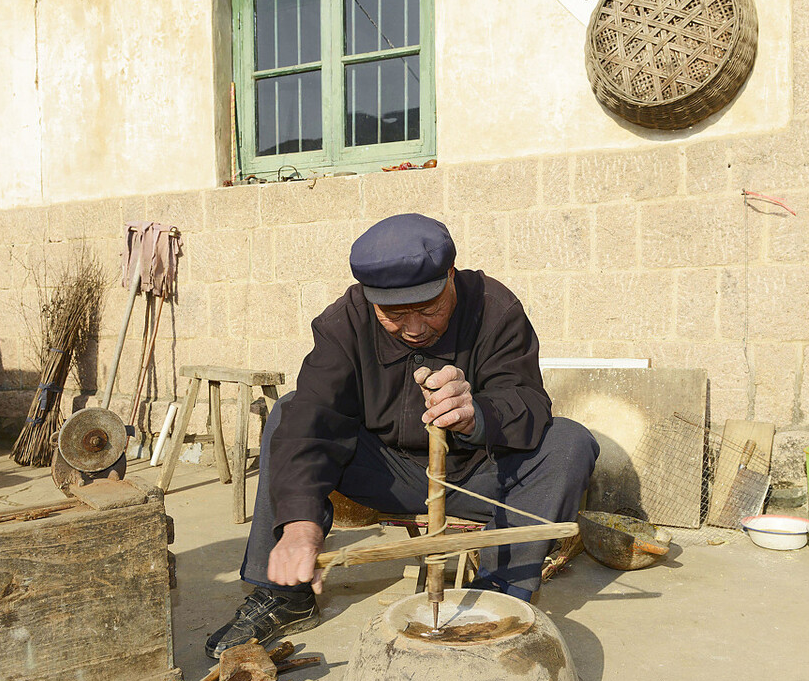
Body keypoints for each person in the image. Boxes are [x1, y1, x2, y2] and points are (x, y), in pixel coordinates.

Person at [206, 213, 599, 658]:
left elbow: (529, 401)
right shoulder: (345, 322)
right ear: (370, 299)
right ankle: (284, 594)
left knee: (569, 442)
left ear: (450, 276)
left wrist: (479, 414)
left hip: (478, 476)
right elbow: (313, 420)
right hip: (388, 475)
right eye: (393, 315)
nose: (414, 328)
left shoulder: (495, 307)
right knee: (289, 413)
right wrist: (299, 524)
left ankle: (499, 595)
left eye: (429, 309)